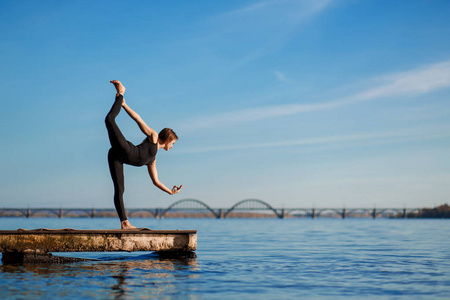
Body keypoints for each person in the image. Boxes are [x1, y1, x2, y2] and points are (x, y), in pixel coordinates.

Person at [106, 80, 182, 229]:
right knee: (109, 119)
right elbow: (137, 119)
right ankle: (121, 92)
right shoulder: (153, 137)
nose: (172, 146)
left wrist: (170, 192)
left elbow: (156, 181)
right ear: (168, 139)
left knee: (120, 190)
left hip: (116, 157)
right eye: (173, 143)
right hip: (125, 148)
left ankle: (124, 223)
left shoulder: (152, 160)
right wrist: (124, 104)